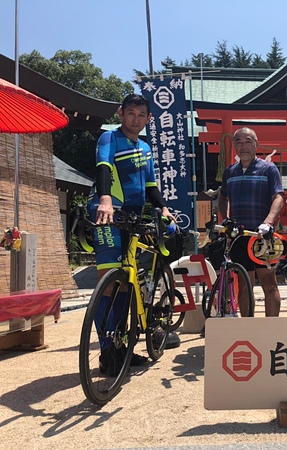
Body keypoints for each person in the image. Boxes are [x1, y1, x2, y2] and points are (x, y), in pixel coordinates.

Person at [87, 93, 176, 375]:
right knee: (110, 280)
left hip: (133, 217)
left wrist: (163, 208)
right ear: (120, 113)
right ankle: (106, 350)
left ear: (148, 119)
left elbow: (150, 186)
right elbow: (103, 168)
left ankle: (122, 346)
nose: (135, 120)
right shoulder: (109, 139)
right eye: (131, 114)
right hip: (107, 212)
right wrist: (104, 200)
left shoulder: (146, 147)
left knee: (126, 282)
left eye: (141, 115)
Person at [218, 127, 284, 317]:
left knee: (269, 284)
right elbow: (222, 197)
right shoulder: (229, 172)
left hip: (262, 235)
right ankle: (248, 330)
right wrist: (226, 219)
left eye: (247, 141)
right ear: (234, 146)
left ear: (256, 144)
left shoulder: (268, 168)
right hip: (239, 235)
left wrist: (269, 222)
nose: (243, 146)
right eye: (238, 142)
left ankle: (271, 330)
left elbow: (278, 197)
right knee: (245, 285)